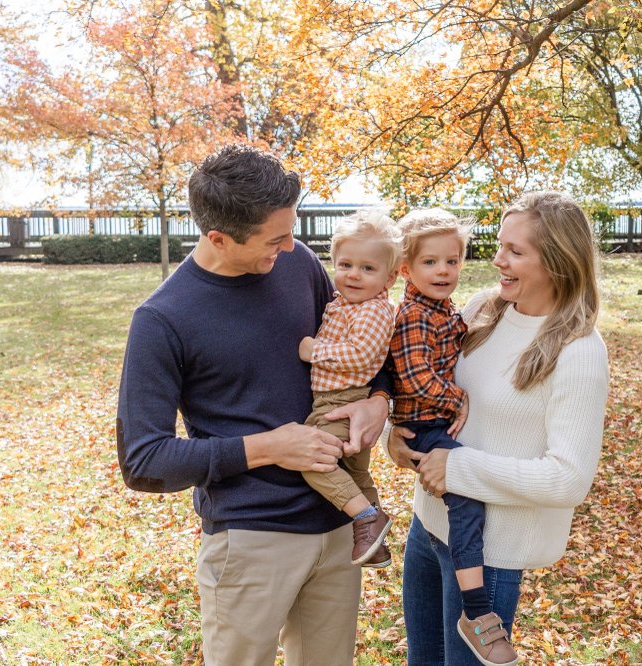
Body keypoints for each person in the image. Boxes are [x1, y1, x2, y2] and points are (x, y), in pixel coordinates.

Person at [116, 145, 391, 666]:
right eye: (274, 239)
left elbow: (357, 342)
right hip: (251, 541)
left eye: (291, 231)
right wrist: (268, 448)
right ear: (219, 237)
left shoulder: (298, 263)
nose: (290, 247)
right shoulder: (162, 319)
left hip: (341, 525)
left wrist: (379, 398)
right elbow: (144, 460)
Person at [387, 191, 609, 666]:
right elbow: (417, 371)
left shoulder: (579, 350)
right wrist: (398, 430)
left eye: (515, 251)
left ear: (556, 261)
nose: (497, 260)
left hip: (490, 555)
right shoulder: (482, 310)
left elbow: (568, 480)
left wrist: (457, 468)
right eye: (499, 245)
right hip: (428, 527)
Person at [388, 208, 518, 666]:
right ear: (405, 269)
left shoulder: (444, 310)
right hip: (427, 425)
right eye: (430, 262)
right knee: (466, 503)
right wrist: (457, 397)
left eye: (452, 260)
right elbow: (415, 377)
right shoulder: (413, 316)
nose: (444, 270)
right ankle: (477, 609)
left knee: (464, 501)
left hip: (433, 424)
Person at [298, 210, 401, 567]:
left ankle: (367, 518)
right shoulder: (343, 303)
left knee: (314, 461)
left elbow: (361, 354)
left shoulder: (374, 310)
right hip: (337, 398)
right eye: (345, 265)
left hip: (343, 401)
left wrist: (314, 351)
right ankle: (375, 545)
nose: (354, 274)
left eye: (368, 268)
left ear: (390, 277)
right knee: (356, 472)